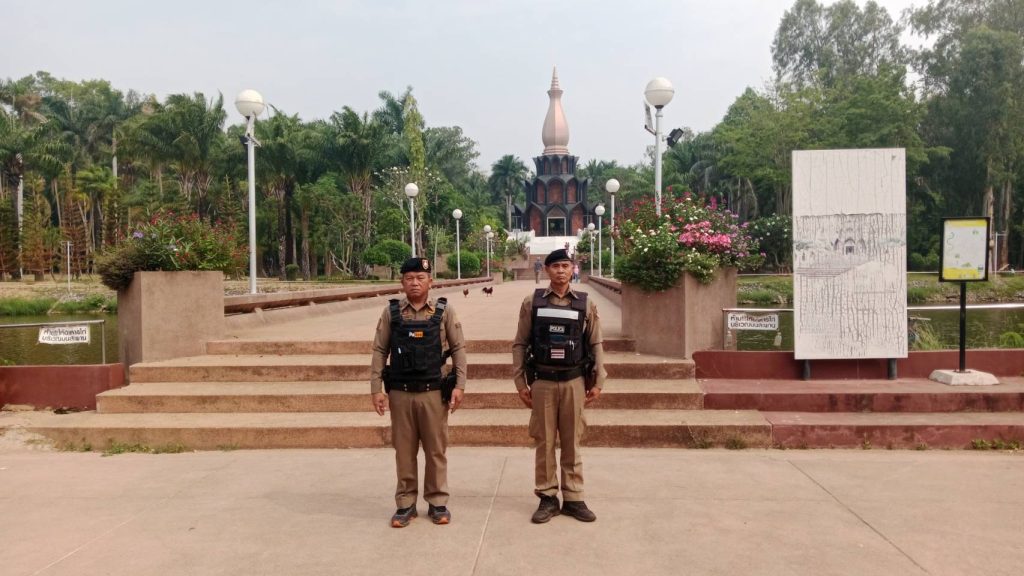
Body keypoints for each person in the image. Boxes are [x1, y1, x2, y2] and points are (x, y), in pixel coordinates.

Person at [370, 257, 467, 528]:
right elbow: (380, 350)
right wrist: (376, 389)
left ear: (430, 281)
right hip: (400, 393)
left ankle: (437, 502)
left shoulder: (444, 311)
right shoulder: (391, 313)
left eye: (420, 278)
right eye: (409, 278)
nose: (415, 283)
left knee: (436, 450)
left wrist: (460, 385)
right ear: (402, 282)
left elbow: (458, 348)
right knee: (404, 451)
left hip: (433, 392)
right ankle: (405, 504)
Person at [512, 248, 606, 524]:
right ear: (547, 270)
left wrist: (599, 379)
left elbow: (596, 343)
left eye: (565, 265)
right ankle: (547, 497)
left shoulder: (585, 304)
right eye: (555, 266)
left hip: (574, 381)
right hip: (542, 382)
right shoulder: (533, 302)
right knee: (544, 441)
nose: (561, 271)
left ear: (572, 268)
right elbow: (520, 343)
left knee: (572, 440)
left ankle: (574, 498)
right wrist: (520, 381)